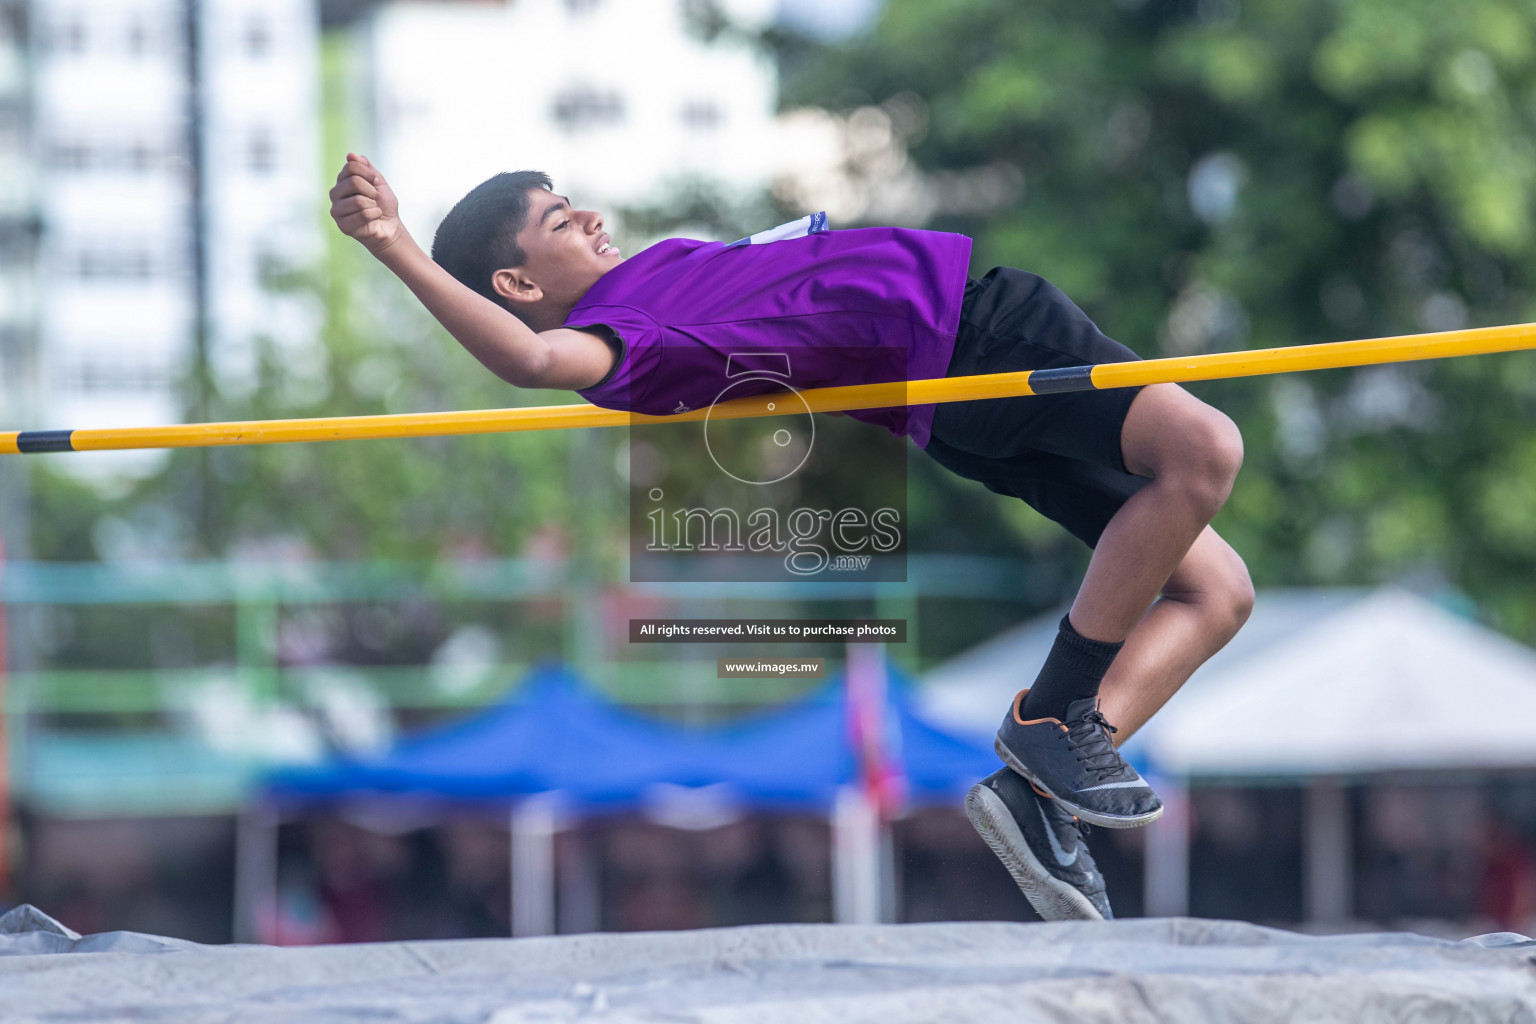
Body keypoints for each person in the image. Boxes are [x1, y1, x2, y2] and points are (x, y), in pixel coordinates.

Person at [328, 155, 1255, 921]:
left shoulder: (655, 283)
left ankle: (1038, 789)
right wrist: (394, 246)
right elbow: (530, 357)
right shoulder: (619, 339)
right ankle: (1049, 721)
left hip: (946, 394)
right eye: (562, 222)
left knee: (1217, 592)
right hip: (971, 332)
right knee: (1207, 448)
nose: (594, 218)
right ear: (520, 282)